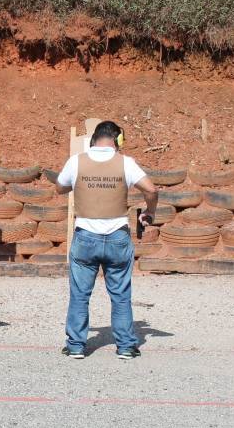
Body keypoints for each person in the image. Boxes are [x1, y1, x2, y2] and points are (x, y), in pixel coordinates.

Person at [55, 120, 158, 360]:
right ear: (117, 139)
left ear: (93, 139)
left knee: (80, 294)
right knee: (120, 294)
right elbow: (151, 191)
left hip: (85, 237)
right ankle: (126, 346)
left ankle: (76, 346)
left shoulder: (76, 161)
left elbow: (60, 188)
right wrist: (149, 211)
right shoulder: (126, 163)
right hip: (117, 238)